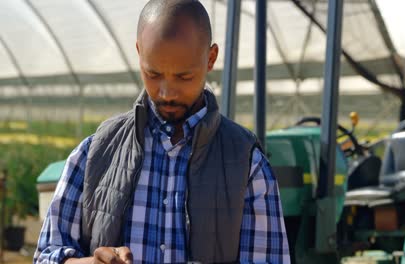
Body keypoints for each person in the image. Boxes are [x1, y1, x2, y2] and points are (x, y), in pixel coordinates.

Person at [34, 0, 290, 263]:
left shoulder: (247, 163)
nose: (167, 92)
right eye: (153, 73)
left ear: (211, 58)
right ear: (139, 52)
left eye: (184, 77)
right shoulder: (96, 153)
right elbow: (46, 255)